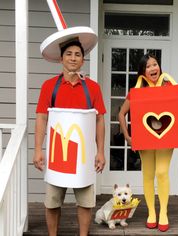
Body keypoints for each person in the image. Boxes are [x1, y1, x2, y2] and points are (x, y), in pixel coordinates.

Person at [33, 39, 106, 236]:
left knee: (85, 201)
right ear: (61, 58)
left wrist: (100, 151)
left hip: (83, 155)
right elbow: (41, 117)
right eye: (69, 54)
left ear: (83, 60)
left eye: (77, 54)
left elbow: (99, 120)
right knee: (52, 201)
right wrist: (38, 149)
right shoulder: (49, 86)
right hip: (58, 154)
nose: (73, 58)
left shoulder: (92, 87)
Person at [118, 53, 178, 232]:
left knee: (161, 172)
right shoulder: (137, 91)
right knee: (148, 174)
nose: (153, 68)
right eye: (149, 66)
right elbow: (121, 113)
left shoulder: (169, 86)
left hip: (166, 136)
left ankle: (164, 213)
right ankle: (152, 212)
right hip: (145, 139)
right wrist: (128, 136)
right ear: (143, 71)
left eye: (155, 64)